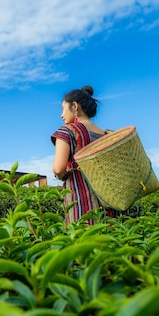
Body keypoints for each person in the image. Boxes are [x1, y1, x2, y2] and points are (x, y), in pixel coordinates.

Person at [51, 85, 117, 225]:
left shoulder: (67, 131)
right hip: (110, 205)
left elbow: (58, 169)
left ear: (74, 106)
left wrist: (61, 175)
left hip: (82, 205)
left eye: (63, 108)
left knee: (83, 243)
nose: (61, 115)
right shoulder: (106, 135)